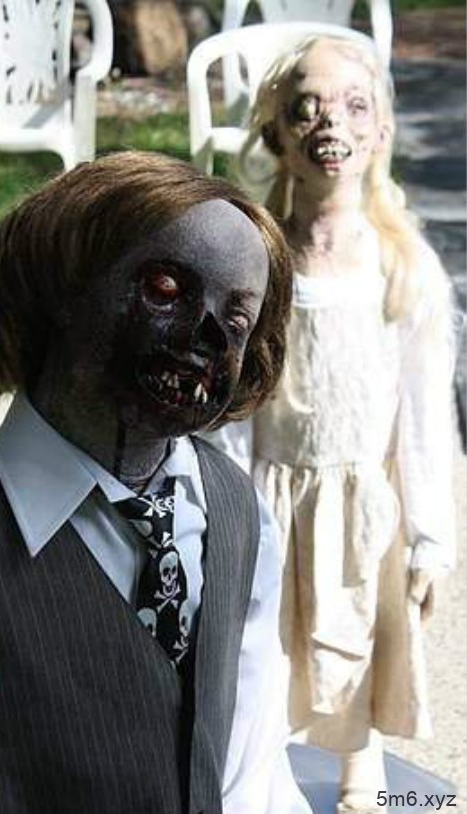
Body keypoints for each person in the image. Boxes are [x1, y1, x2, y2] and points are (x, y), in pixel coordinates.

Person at [0, 151, 312, 814]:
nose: (209, 337)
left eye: (237, 318)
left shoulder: (237, 513)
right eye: (166, 288)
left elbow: (254, 761)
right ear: (63, 287)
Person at [208, 35, 456, 812]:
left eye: (353, 107)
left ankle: (361, 781)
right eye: (306, 108)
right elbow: (236, 402)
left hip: (364, 511)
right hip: (271, 501)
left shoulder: (403, 268)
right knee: (262, 655)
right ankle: (255, 781)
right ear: (276, 133)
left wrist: (430, 539)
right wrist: (227, 511)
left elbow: (425, 415)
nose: (330, 125)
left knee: (359, 644)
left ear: (380, 130)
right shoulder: (260, 262)